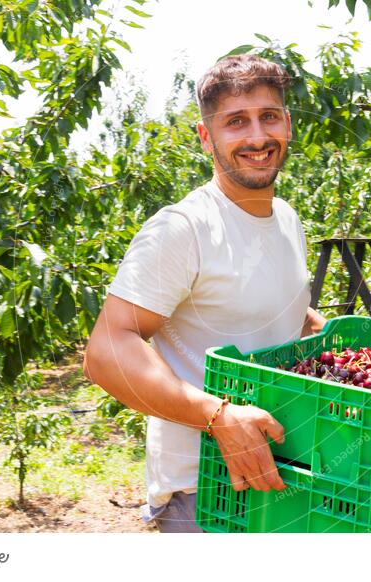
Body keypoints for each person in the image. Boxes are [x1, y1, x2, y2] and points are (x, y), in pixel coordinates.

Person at [83, 54, 327, 533]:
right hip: (207, 491)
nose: (258, 137)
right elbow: (107, 351)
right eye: (236, 122)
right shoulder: (183, 229)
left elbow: (267, 310)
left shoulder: (287, 219)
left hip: (286, 473)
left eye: (268, 117)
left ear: (288, 124)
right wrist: (218, 417)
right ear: (206, 137)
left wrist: (321, 332)